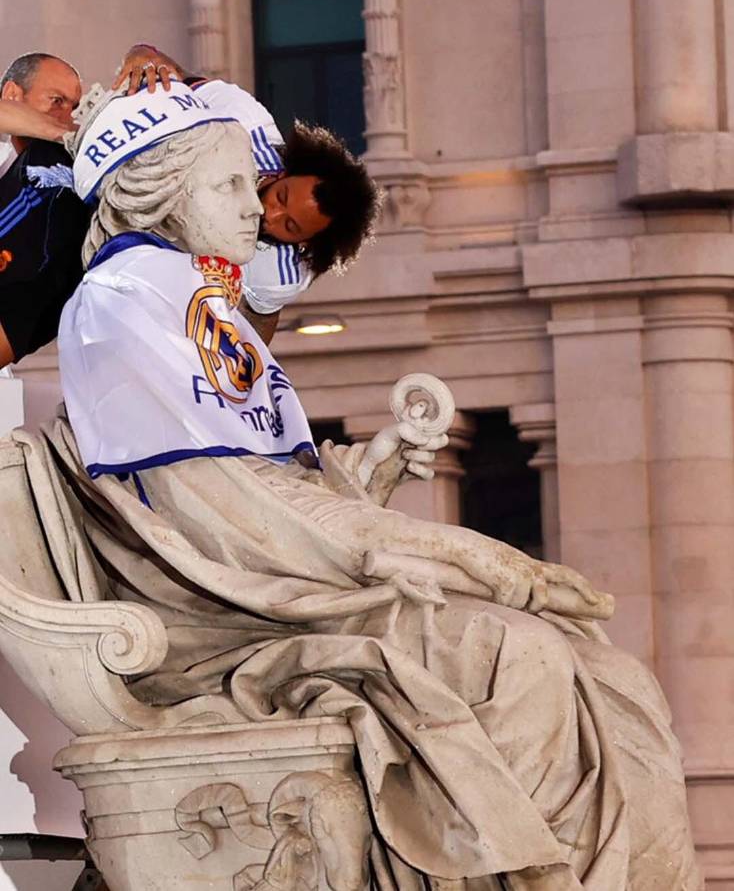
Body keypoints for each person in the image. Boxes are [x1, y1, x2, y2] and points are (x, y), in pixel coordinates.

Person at [42, 82, 701, 890]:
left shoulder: (192, 294)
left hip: (288, 574)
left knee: (611, 675)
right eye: (234, 187)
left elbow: (268, 482)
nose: (255, 208)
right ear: (164, 190)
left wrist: (374, 469)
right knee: (521, 657)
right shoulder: (124, 299)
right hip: (229, 614)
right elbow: (215, 507)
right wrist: (434, 548)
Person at [115, 45, 380, 344]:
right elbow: (174, 74)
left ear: (304, 243)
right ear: (285, 172)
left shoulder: (281, 275)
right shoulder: (242, 120)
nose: (270, 214)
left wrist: (243, 378)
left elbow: (260, 324)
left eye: (290, 226)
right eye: (281, 196)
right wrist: (142, 57)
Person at [0, 52, 88, 368]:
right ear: (12, 95)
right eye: (56, 101)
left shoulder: (67, 177)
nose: (68, 117)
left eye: (73, 108)